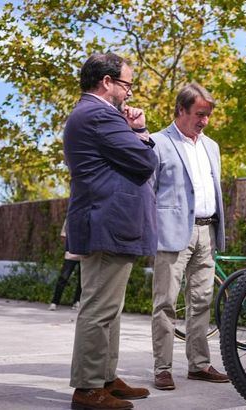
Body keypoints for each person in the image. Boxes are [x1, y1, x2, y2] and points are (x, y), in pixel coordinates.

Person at [64, 52, 157, 410]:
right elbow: (146, 160)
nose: (129, 93)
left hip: (107, 222)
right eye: (127, 85)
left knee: (109, 309)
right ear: (107, 82)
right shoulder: (101, 114)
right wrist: (140, 131)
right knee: (99, 309)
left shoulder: (92, 114)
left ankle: (104, 378)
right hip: (107, 222)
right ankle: (88, 389)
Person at [149, 83, 228, 390]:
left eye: (208, 115)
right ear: (180, 110)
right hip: (171, 234)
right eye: (199, 114)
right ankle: (163, 367)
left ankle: (198, 364)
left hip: (207, 231)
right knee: (165, 302)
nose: (204, 121)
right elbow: (149, 192)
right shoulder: (157, 143)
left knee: (202, 301)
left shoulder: (212, 146)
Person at [49, 218, 82, 311]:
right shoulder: (70, 217)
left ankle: (77, 301)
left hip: (84, 255)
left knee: (82, 280)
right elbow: (64, 235)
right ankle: (54, 302)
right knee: (63, 278)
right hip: (71, 254)